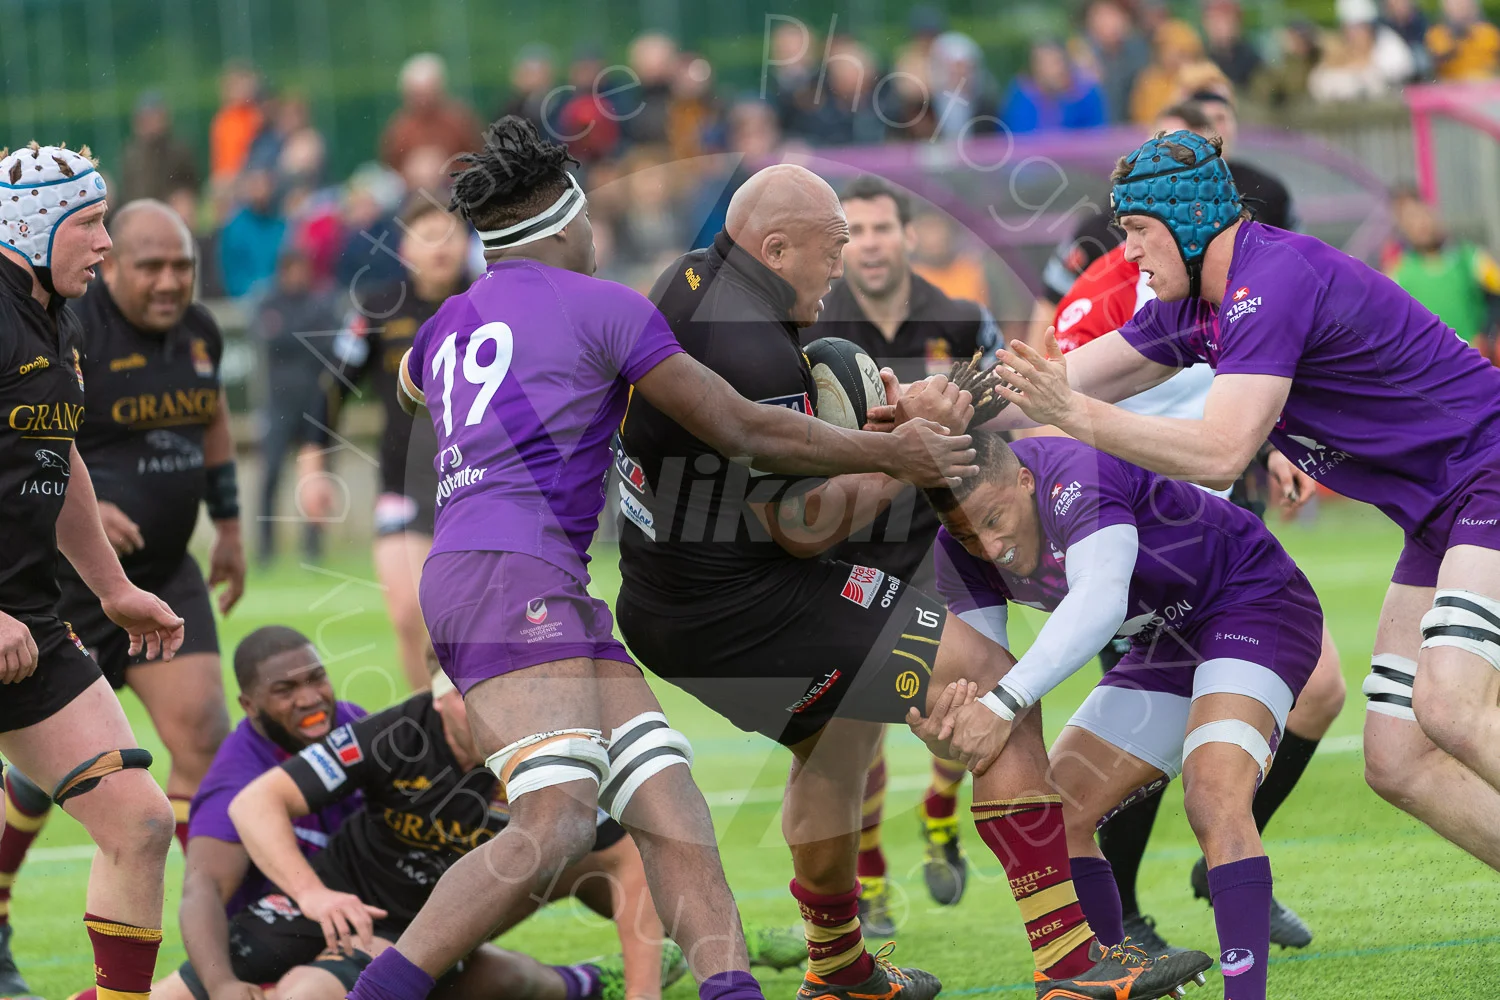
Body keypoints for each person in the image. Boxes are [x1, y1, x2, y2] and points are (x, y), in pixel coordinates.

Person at [339, 116, 977, 1000]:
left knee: (672, 811)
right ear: (566, 226)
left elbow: (414, 385)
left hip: (523, 582)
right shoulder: (607, 308)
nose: (599, 233)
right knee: (555, 824)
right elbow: (743, 426)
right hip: (511, 578)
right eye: (590, 218)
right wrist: (893, 453)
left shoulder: (449, 321)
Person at [614, 165, 1210, 1000]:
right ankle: (1071, 963)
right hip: (747, 603)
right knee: (995, 685)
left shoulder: (695, 280)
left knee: (837, 741)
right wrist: (909, 453)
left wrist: (886, 433)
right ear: (776, 247)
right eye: (833, 247)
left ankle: (837, 968)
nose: (843, 265)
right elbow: (804, 528)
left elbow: (770, 471)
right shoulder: (749, 345)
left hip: (667, 601)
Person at [989, 128, 1500, 882]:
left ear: (1187, 225)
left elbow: (1222, 450)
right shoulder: (1193, 309)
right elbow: (1056, 379)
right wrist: (919, 408)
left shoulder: (1271, 279)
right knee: (1396, 760)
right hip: (1437, 515)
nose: (1125, 252)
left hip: (1486, 475)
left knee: (1451, 708)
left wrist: (1067, 414)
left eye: (1135, 231)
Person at [914, 431, 1321, 1000]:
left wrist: (1001, 706)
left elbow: (1099, 601)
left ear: (1024, 481)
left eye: (993, 518)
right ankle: (1112, 981)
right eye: (967, 533)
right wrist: (951, 735)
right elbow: (984, 676)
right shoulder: (958, 551)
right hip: (1164, 642)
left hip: (1251, 601)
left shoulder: (1075, 475)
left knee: (1212, 795)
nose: (989, 545)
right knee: (1055, 816)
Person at [0, 201, 246, 978]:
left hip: (77, 598)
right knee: (42, 788)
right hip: (30, 599)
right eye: (90, 224)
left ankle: (218, 923)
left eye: (184, 265)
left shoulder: (55, 323)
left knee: (145, 811)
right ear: (31, 234)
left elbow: (55, 449)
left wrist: (116, 583)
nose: (102, 244)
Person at [165, 650, 668, 1000]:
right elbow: (254, 804)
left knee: (308, 990)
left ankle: (660, 960)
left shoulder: (540, 757)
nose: (501, 718)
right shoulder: (394, 733)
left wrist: (643, 993)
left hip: (413, 930)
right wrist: (313, 894)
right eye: (478, 701)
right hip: (340, 898)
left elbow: (627, 859)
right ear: (440, 698)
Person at [802, 174, 1001, 931]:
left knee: (958, 703)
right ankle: (874, 880)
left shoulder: (958, 316)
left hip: (940, 544)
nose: (874, 243)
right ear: (844, 244)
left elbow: (996, 421)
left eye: (885, 227)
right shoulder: (818, 326)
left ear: (909, 235)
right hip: (849, 545)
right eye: (858, 231)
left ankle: (943, 811)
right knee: (858, 721)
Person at [297, 199, 472, 691]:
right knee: (408, 614)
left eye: (450, 234)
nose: (440, 247)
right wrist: (313, 469)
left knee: (471, 621)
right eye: (427, 235)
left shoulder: (491, 300)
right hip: (401, 483)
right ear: (405, 248)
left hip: (479, 485)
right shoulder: (378, 307)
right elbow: (331, 388)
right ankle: (435, 722)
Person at [158, 625, 368, 1000]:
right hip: (270, 940)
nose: (309, 699)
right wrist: (221, 984)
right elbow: (203, 887)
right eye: (285, 691)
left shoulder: (354, 726)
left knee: (505, 976)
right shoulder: (235, 781)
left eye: (316, 679)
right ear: (249, 705)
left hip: (361, 914)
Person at [251, 243, 343, 564]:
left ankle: (313, 548)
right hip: (278, 405)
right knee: (271, 474)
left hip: (314, 404)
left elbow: (331, 343)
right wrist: (305, 336)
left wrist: (297, 336)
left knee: (315, 478)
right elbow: (272, 338)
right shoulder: (269, 302)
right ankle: (265, 549)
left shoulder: (320, 302)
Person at [1386, 187, 1500, 361]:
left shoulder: (1470, 258)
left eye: (1424, 216)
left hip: (1475, 360)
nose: (1421, 225)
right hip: (1431, 366)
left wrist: (1486, 333)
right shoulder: (1399, 272)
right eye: (1413, 220)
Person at [379, 54, 482, 175]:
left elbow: (478, 157)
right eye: (417, 94)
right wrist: (410, 172)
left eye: (427, 92)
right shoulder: (399, 128)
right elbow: (389, 167)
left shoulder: (460, 119)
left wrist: (447, 169)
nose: (423, 101)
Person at [1002, 40, 1108, 134]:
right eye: (1047, 64)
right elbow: (1019, 139)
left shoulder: (1086, 93)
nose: (1057, 70)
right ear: (1034, 68)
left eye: (1058, 61)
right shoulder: (1021, 96)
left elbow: (1096, 136)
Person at [120, 93, 201, 206]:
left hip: (169, 212)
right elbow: (127, 192)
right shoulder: (131, 155)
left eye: (154, 117)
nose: (149, 123)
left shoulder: (179, 150)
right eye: (145, 118)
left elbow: (190, 188)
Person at [1427, 0, 1500, 80]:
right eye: (1455, 4)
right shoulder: (1438, 33)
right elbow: (1436, 62)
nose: (1461, 7)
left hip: (1486, 83)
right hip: (1450, 84)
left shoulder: (1488, 32)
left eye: (1464, 3)